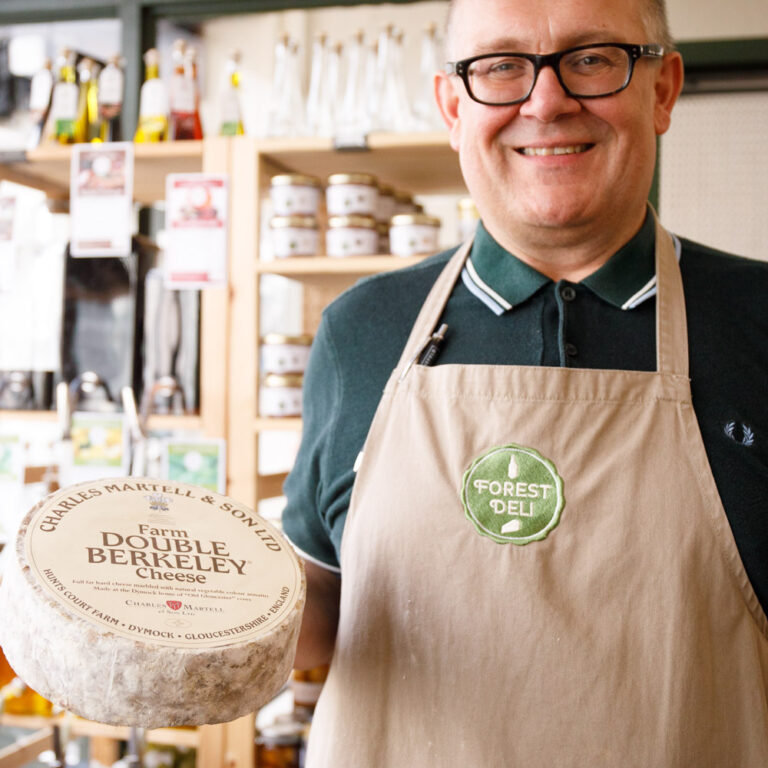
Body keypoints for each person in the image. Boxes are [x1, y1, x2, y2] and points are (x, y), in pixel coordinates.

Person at [282, 0, 768, 764]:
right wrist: (181, 619)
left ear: (663, 88)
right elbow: (320, 602)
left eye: (593, 57)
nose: (545, 101)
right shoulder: (359, 332)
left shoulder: (760, 322)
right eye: (500, 66)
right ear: (452, 106)